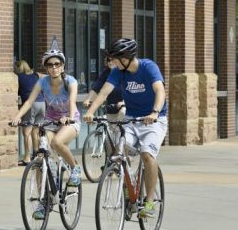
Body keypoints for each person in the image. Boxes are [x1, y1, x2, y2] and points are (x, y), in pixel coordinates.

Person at [82, 37, 167, 219]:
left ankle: (149, 201)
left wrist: (154, 112)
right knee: (119, 152)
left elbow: (160, 90)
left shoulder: (148, 67)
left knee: (146, 154)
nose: (111, 62)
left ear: (126, 58)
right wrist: (90, 111)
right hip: (131, 119)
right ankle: (129, 188)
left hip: (154, 120)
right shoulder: (118, 72)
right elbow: (104, 92)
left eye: (114, 58)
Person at [14, 40, 83, 218]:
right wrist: (18, 116)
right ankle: (43, 201)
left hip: (70, 121)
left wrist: (68, 117)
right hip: (50, 121)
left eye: (57, 64)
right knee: (40, 159)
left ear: (62, 66)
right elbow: (29, 101)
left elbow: (73, 103)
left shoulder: (70, 82)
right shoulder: (42, 82)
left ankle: (75, 169)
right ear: (46, 68)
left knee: (58, 143)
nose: (53, 68)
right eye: (50, 65)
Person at [14, 60, 42, 166]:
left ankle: (27, 158)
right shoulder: (35, 76)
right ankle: (37, 156)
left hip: (31, 105)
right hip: (42, 103)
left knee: (26, 133)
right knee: (36, 131)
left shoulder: (19, 77)